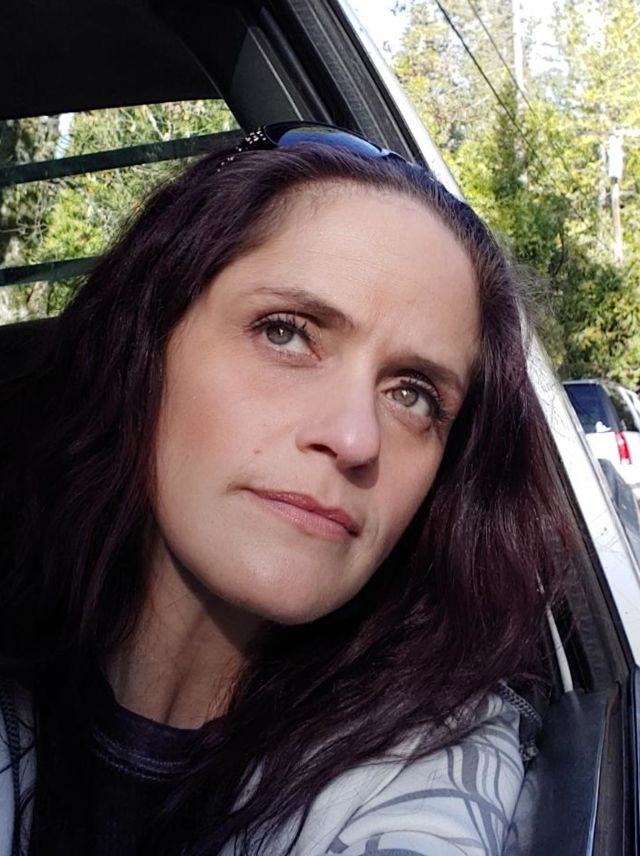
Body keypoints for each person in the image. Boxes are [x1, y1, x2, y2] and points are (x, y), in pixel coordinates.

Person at [0, 123, 575, 856]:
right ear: (143, 347)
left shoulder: (435, 761)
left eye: (413, 394)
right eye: (286, 333)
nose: (356, 438)